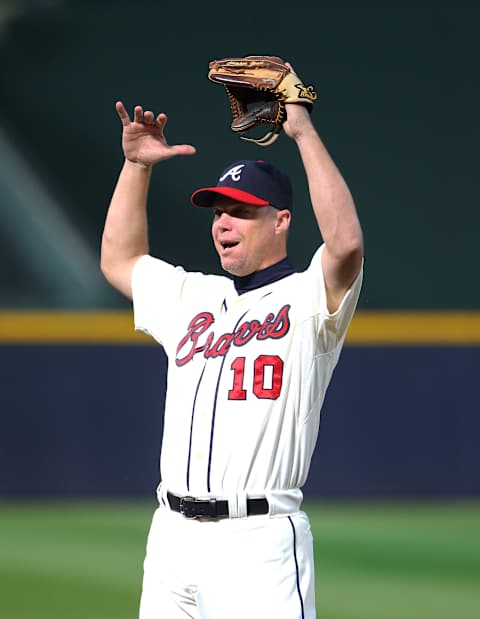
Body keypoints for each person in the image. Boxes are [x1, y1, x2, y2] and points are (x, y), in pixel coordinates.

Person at [100, 77, 364, 619]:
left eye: (241, 210)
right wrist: (137, 167)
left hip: (258, 541)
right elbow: (119, 261)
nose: (223, 221)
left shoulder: (309, 299)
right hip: (171, 534)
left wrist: (302, 131)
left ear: (281, 221)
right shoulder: (192, 296)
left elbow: (346, 245)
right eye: (218, 210)